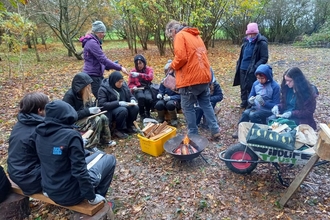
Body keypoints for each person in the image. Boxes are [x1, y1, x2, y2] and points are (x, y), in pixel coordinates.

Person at [35, 100, 116, 206]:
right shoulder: (71, 136)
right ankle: (97, 197)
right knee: (110, 159)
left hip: (50, 188)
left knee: (100, 155)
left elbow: (55, 155)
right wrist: (92, 198)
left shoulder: (39, 132)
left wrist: (79, 147)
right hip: (71, 194)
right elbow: (80, 171)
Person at [165, 20, 221, 139]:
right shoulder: (195, 36)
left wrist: (172, 67)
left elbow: (181, 58)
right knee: (206, 104)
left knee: (187, 107)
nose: (172, 39)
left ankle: (193, 134)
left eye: (171, 36)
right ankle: (215, 129)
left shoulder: (180, 36)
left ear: (173, 30)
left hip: (190, 80)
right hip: (204, 76)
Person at [7, 92, 49, 195]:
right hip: (30, 179)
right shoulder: (38, 129)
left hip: (15, 173)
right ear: (39, 110)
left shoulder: (21, 123)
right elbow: (50, 155)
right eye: (46, 108)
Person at [63, 72, 116, 151]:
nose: (89, 88)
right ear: (81, 87)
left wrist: (95, 109)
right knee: (96, 120)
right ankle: (90, 145)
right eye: (87, 86)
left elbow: (89, 107)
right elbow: (71, 115)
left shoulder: (84, 93)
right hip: (74, 121)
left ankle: (105, 140)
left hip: (85, 116)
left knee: (103, 117)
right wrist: (89, 111)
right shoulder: (69, 96)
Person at [79, 20, 128, 98]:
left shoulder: (95, 41)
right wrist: (119, 67)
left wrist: (111, 65)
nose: (104, 34)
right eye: (102, 32)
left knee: (105, 95)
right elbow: (103, 60)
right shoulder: (92, 43)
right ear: (97, 32)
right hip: (93, 76)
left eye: (104, 32)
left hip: (97, 75)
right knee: (102, 97)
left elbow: (99, 61)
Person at [232, 64, 280, 138]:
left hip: (268, 110)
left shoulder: (275, 86)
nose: (260, 80)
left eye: (262, 78)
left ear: (267, 77)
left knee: (253, 115)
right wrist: (250, 100)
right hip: (256, 107)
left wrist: (264, 104)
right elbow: (251, 95)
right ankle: (240, 130)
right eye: (258, 78)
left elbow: (276, 104)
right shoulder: (256, 84)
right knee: (245, 113)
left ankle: (259, 132)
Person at [233, 22, 269, 109]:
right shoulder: (245, 42)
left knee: (251, 87)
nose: (250, 35)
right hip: (242, 68)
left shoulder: (261, 43)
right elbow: (242, 55)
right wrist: (238, 63)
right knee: (243, 87)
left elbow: (264, 58)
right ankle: (244, 102)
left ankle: (251, 104)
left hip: (253, 70)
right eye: (249, 34)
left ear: (256, 33)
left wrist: (255, 67)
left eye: (252, 34)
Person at [98, 71, 139, 139]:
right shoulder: (103, 89)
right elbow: (102, 104)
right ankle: (119, 130)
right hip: (110, 109)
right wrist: (118, 103)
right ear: (114, 81)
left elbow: (130, 95)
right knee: (122, 110)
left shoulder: (123, 85)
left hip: (124, 105)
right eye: (119, 82)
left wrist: (132, 99)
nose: (121, 83)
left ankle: (129, 126)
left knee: (135, 108)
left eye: (122, 81)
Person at [155, 60, 181, 126]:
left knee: (170, 104)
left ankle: (174, 119)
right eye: (166, 71)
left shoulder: (178, 80)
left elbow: (180, 95)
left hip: (174, 100)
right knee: (159, 104)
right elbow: (161, 89)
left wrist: (170, 97)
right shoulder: (164, 80)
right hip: (164, 98)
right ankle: (161, 118)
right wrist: (160, 94)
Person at [127, 54, 154, 120]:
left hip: (147, 87)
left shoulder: (149, 69)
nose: (139, 65)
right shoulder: (133, 71)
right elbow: (130, 84)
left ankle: (147, 112)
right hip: (138, 88)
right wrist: (133, 87)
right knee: (141, 97)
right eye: (137, 63)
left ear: (144, 63)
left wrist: (139, 75)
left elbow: (150, 77)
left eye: (140, 63)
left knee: (148, 98)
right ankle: (142, 114)